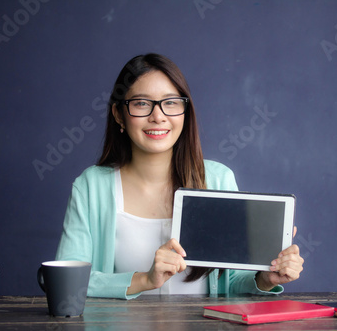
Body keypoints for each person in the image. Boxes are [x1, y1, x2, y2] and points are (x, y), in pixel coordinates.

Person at [55, 53, 304, 299]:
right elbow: (68, 281)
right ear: (119, 114)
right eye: (142, 103)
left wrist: (265, 279)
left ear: (185, 112)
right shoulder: (91, 186)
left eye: (171, 102)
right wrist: (145, 279)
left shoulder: (218, 180)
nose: (158, 116)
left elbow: (233, 282)